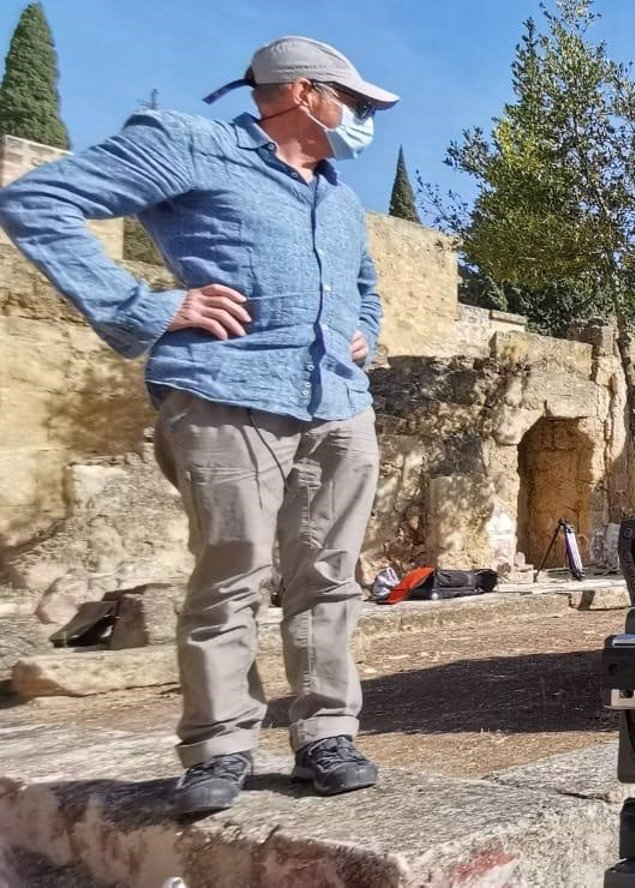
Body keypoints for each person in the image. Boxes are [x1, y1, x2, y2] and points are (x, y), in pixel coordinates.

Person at [0, 36, 398, 815]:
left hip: (339, 406)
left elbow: (363, 285)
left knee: (328, 580)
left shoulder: (340, 197)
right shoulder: (192, 145)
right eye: (351, 100)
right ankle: (219, 748)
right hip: (226, 394)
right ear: (303, 93)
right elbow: (35, 202)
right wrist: (147, 309)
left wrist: (365, 333)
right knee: (232, 578)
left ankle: (326, 734)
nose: (360, 117)